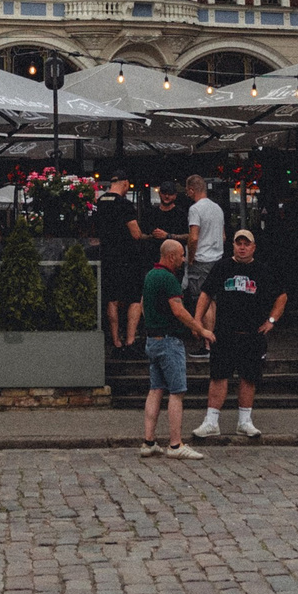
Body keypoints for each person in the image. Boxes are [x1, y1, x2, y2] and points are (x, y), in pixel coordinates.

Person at [192, 228, 284, 441]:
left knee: (248, 377)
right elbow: (206, 294)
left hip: (252, 333)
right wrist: (197, 321)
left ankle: (244, 421)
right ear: (232, 245)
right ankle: (211, 422)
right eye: (238, 243)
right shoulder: (222, 267)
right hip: (224, 333)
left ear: (253, 247)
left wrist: (271, 321)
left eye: (246, 244)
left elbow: (281, 297)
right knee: (218, 376)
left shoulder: (262, 270)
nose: (242, 248)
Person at [128, 237, 212, 460]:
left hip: (152, 340)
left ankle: (149, 441)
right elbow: (178, 310)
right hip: (169, 341)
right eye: (182, 256)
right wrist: (200, 329)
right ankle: (175, 444)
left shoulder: (150, 275)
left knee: (155, 389)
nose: (183, 260)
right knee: (177, 392)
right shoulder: (169, 279)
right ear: (172, 256)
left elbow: (143, 304)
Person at [89, 179, 144, 349]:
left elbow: (93, 230)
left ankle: (116, 340)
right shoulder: (124, 204)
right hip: (127, 258)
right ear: (125, 183)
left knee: (112, 299)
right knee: (134, 298)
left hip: (107, 256)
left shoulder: (99, 202)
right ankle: (130, 340)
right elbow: (136, 234)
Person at [181, 175, 227, 300]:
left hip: (201, 260)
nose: (187, 194)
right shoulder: (218, 208)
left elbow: (194, 237)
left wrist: (190, 259)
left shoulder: (195, 209)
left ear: (191, 190)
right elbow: (223, 236)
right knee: (214, 298)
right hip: (217, 260)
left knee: (201, 298)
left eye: (187, 191)